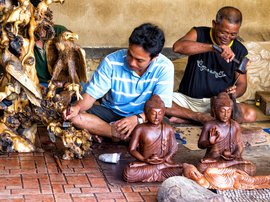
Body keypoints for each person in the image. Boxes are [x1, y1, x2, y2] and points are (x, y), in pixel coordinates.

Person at [63, 23, 174, 141]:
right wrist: (77, 107)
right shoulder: (111, 61)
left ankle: (106, 133)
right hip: (111, 112)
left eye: (139, 60)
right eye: (130, 55)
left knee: (163, 129)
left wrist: (137, 119)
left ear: (154, 58)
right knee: (74, 117)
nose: (132, 62)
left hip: (143, 116)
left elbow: (161, 106)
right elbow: (90, 96)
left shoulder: (164, 67)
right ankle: (114, 133)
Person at [166, 6, 256, 124]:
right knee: (158, 102)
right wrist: (213, 48)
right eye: (223, 32)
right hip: (187, 101)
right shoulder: (199, 33)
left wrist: (234, 93)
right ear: (214, 24)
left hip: (217, 105)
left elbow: (242, 84)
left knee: (251, 114)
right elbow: (178, 47)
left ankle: (188, 119)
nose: (227, 38)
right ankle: (198, 117)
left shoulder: (239, 50)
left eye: (233, 34)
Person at [123, 95, 182, 182]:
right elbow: (132, 149)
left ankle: (157, 171)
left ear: (164, 113)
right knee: (128, 173)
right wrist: (144, 159)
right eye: (153, 114)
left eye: (160, 114)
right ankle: (159, 173)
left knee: (181, 170)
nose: (157, 117)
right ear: (146, 113)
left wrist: (165, 159)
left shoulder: (168, 128)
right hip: (145, 163)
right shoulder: (140, 128)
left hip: (163, 163)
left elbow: (174, 148)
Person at [197, 92, 256, 176]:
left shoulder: (235, 125)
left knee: (250, 168)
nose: (225, 115)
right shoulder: (209, 125)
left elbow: (239, 145)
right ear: (215, 111)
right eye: (222, 111)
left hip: (231, 160)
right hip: (214, 160)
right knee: (201, 167)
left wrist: (235, 154)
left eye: (228, 111)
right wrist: (210, 142)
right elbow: (200, 145)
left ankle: (222, 169)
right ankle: (228, 171)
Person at [183, 163, 270, 190]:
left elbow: (226, 170)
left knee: (254, 181)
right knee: (256, 186)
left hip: (235, 177)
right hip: (234, 186)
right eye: (191, 174)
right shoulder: (201, 186)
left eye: (195, 172)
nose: (195, 174)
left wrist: (237, 171)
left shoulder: (209, 172)